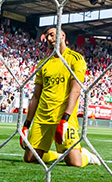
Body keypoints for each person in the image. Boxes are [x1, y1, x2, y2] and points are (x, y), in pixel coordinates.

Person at [19, 26, 90, 167]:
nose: (50, 38)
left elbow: (75, 91)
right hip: (42, 117)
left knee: (75, 163)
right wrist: (26, 124)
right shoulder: (43, 63)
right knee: (29, 159)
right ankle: (57, 155)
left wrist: (65, 119)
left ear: (62, 35)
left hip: (63, 117)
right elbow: (36, 97)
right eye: (47, 37)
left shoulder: (75, 59)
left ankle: (87, 156)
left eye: (52, 35)